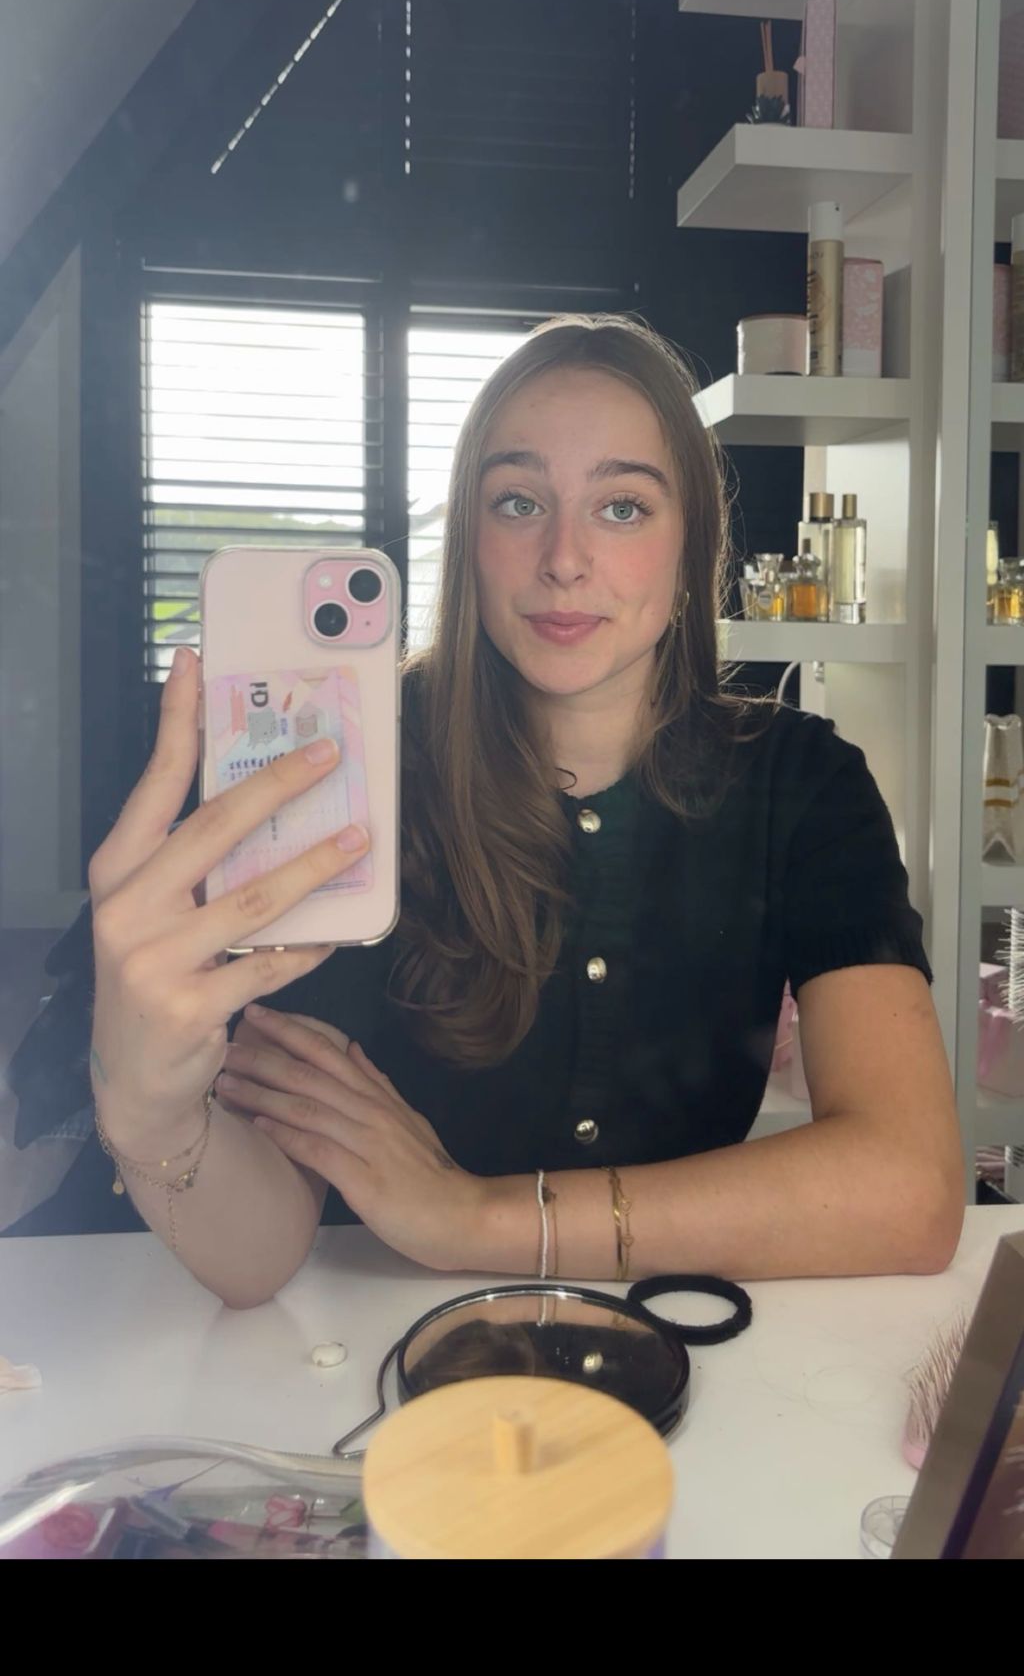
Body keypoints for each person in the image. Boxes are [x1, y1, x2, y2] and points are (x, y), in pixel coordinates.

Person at [9, 315, 963, 1303]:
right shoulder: (349, 774)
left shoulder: (804, 783)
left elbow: (911, 1189)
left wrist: (475, 1218)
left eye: (623, 507)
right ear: (470, 542)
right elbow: (261, 1255)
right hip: (373, 1345)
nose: (563, 558)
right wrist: (152, 1115)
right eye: (518, 502)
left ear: (691, 552)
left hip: (673, 1354)